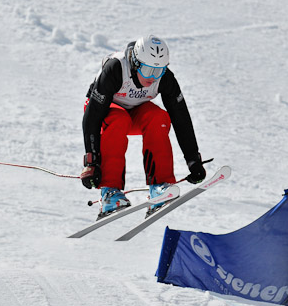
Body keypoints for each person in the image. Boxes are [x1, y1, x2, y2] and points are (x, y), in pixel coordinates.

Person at [79, 34, 206, 219]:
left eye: (159, 71)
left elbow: (181, 118)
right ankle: (110, 193)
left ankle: (160, 188)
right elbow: (92, 117)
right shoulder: (116, 68)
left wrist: (193, 159)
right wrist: (92, 163)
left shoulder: (165, 78)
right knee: (119, 120)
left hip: (136, 112)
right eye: (147, 70)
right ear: (136, 63)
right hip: (104, 112)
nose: (152, 78)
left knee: (158, 117)